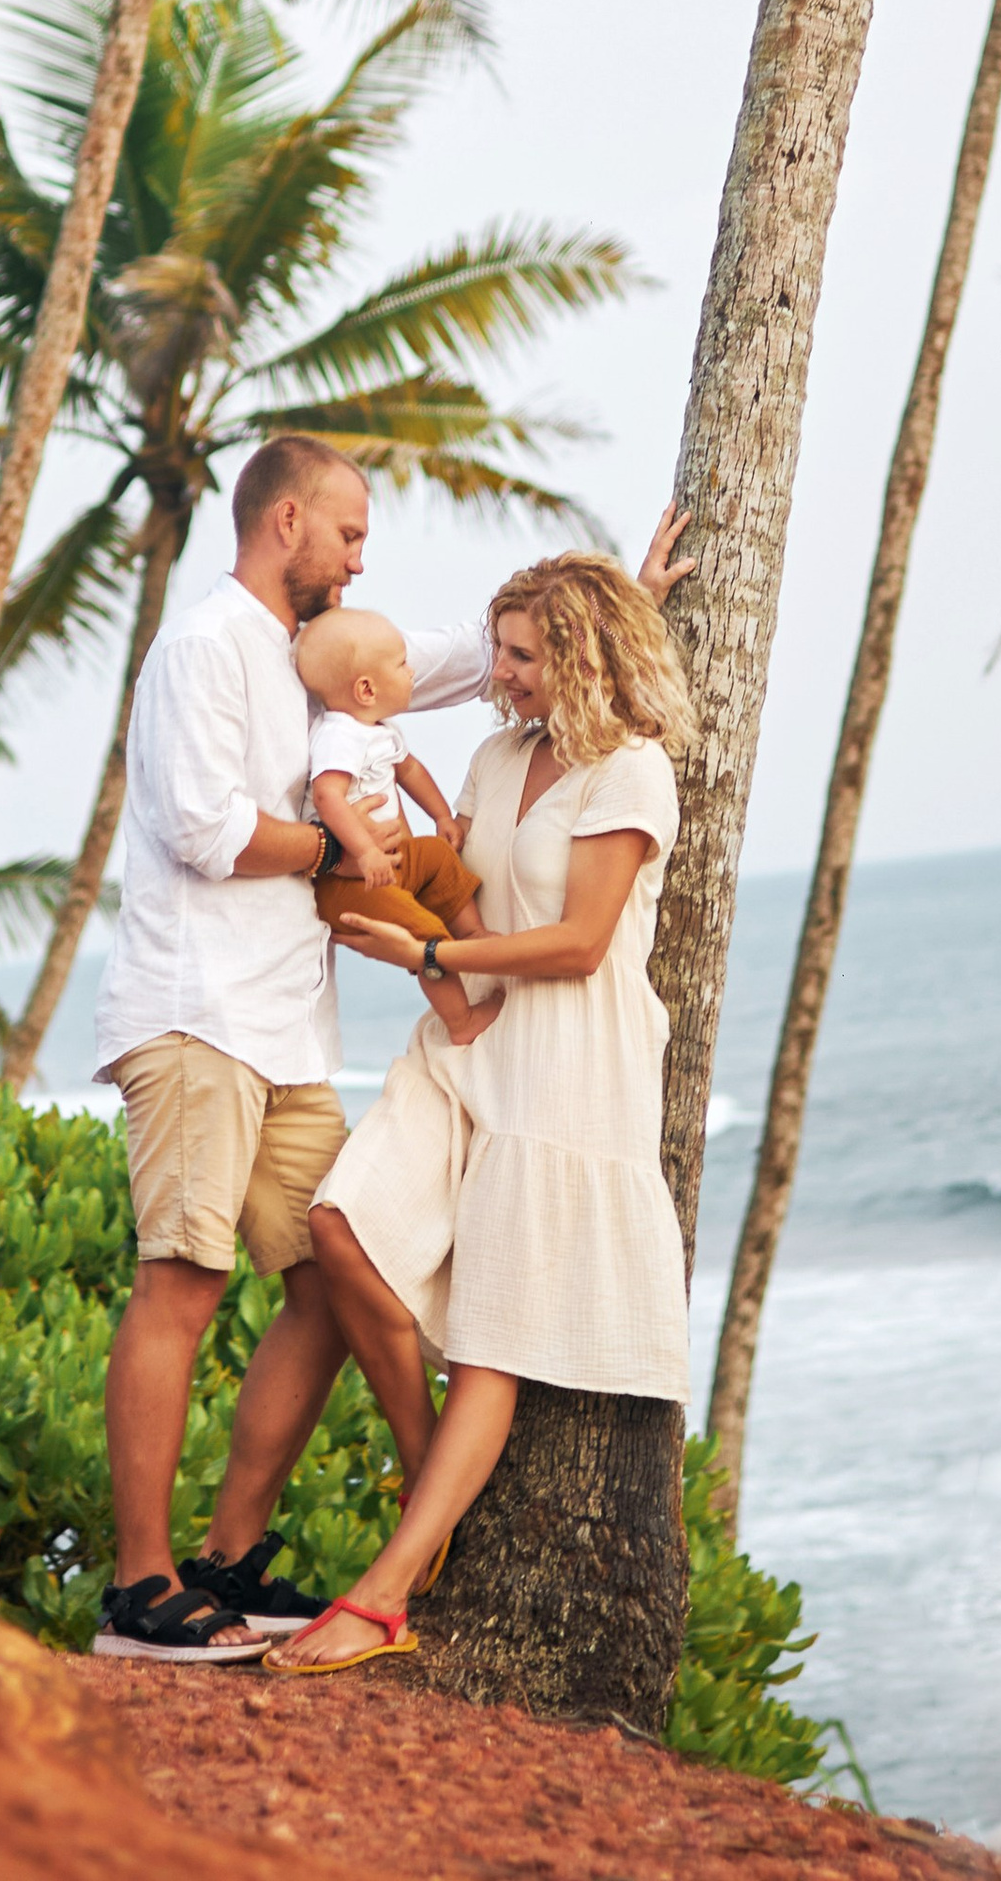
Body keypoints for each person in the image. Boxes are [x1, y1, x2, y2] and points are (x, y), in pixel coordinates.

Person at [268, 532, 697, 1679]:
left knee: (494, 1350)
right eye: (499, 653)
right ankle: (434, 1489)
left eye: (518, 657)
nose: (496, 676)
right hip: (465, 1034)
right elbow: (460, 900)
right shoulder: (499, 759)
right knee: (339, 1228)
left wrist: (436, 947)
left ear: (580, 656)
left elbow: (580, 941)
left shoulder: (632, 772)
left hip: (567, 1064)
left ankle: (387, 1589)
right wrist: (414, 943)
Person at [87, 433, 441, 1659]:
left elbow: (426, 665)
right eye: (347, 535)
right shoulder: (201, 647)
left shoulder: (309, 665)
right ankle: (139, 1590)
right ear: (284, 521)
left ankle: (227, 1558)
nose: (358, 563)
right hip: (194, 1014)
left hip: (288, 1032)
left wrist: (603, 603)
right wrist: (338, 854)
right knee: (180, 1285)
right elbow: (199, 828)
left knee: (335, 1279)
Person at [297, 606, 482, 954]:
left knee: (438, 856)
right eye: (402, 665)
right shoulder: (340, 736)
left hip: (390, 860)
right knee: (424, 934)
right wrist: (365, 853)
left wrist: (441, 816)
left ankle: (475, 935)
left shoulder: (381, 731)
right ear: (366, 689)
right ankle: (461, 1010)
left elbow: (410, 771)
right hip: (350, 878)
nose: (411, 672)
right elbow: (328, 797)